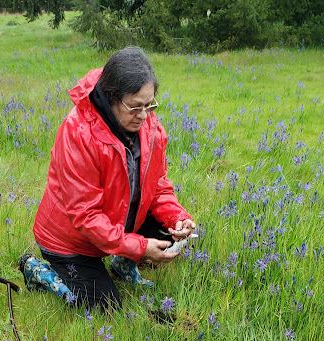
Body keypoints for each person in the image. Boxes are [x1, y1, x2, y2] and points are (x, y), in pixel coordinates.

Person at [23, 46, 195, 309]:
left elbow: (158, 186)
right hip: (71, 240)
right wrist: (139, 247)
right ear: (111, 97)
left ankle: (122, 265)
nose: (144, 115)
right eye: (135, 107)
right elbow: (86, 217)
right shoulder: (78, 133)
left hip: (114, 223)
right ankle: (39, 271)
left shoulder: (147, 124)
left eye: (149, 105)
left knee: (172, 236)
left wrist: (178, 218)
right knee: (106, 306)